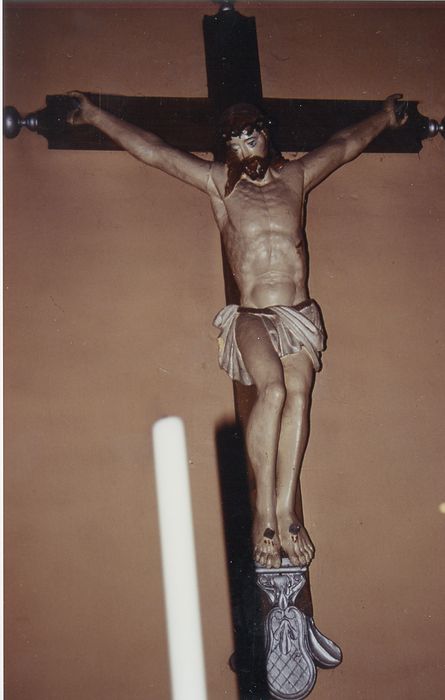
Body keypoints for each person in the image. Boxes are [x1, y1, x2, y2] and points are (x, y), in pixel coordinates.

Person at [68, 91, 407, 569]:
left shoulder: (297, 177)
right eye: (236, 144)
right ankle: (263, 510)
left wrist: (385, 116)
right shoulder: (219, 185)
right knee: (273, 391)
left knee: (298, 396)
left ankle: (286, 511)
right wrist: (94, 114)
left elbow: (344, 145)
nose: (246, 150)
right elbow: (155, 152)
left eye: (252, 138)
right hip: (252, 315)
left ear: (266, 135)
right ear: (226, 148)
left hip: (298, 313)